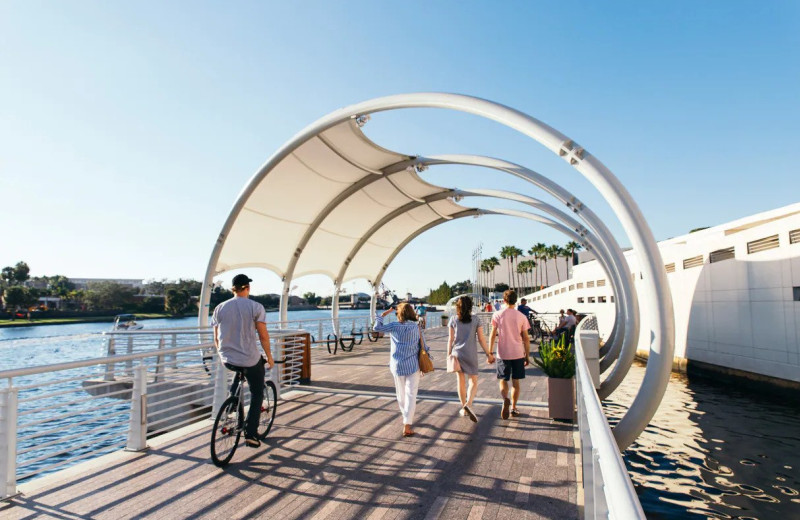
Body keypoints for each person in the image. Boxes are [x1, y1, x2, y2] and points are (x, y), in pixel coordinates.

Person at [212, 273, 275, 448]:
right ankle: (251, 433)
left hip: (227, 359)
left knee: (239, 369)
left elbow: (216, 339)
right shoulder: (256, 307)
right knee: (257, 393)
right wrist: (269, 358)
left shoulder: (220, 308)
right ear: (247, 288)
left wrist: (222, 355)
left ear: (233, 288)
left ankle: (232, 404)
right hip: (249, 358)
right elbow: (263, 336)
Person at [374, 302, 430, 437]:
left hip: (397, 366)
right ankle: (407, 424)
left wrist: (383, 314)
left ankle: (406, 417)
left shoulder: (394, 326)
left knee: (401, 395)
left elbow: (377, 328)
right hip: (413, 365)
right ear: (411, 313)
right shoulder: (416, 327)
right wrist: (425, 362)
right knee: (411, 394)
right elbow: (424, 346)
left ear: (399, 314)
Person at [447, 296, 495, 422]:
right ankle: (468, 404)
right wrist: (488, 354)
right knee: (473, 381)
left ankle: (463, 408)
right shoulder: (476, 319)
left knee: (460, 381)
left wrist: (448, 354)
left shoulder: (453, 319)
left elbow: (450, 339)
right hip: (471, 354)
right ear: (470, 306)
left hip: (457, 353)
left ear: (458, 306)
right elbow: (481, 339)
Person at [489, 290, 531, 419]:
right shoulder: (521, 316)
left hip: (503, 353)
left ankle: (505, 399)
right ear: (516, 300)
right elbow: (526, 338)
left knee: (503, 380)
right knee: (516, 381)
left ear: (504, 300)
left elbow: (492, 334)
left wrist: (489, 352)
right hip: (518, 352)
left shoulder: (497, 314)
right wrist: (527, 355)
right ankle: (513, 407)